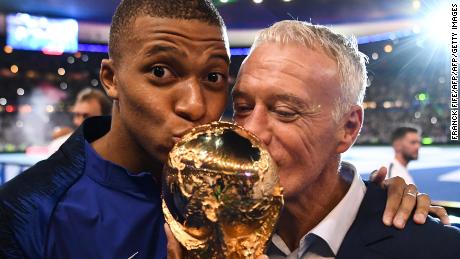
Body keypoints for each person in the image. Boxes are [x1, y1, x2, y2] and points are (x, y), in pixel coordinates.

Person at [0, 1, 449, 258]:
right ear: (112, 79)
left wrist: (384, 198)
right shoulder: (30, 214)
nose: (196, 104)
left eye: (214, 79)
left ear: (349, 127)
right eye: (161, 72)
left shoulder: (232, 192)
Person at [228, 21, 459, 258]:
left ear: (348, 127)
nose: (250, 131)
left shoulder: (437, 249)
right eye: (242, 108)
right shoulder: (214, 228)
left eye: (285, 112)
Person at [47, 87, 112, 154]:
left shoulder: (115, 150)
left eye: (86, 116)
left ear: (105, 118)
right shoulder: (59, 146)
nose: (78, 122)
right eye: (77, 115)